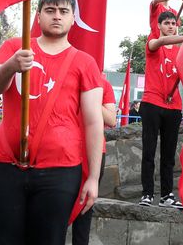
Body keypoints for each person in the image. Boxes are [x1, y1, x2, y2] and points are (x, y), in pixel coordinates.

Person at [0, 0, 103, 245]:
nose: (57, 16)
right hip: (5, 165)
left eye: (63, 11)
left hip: (60, 170)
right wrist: (12, 66)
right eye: (50, 11)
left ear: (72, 19)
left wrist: (93, 178)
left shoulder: (85, 63)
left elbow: (94, 122)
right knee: (1, 239)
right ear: (38, 16)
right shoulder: (15, 48)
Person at [140, 10, 183, 208]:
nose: (170, 26)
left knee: (169, 155)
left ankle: (167, 195)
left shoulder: (181, 51)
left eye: (173, 23)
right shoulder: (153, 42)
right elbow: (155, 44)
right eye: (166, 23)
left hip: (173, 106)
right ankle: (147, 193)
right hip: (152, 104)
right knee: (149, 151)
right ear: (159, 26)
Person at [71, 75, 119, 245]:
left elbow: (112, 119)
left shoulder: (103, 84)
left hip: (94, 152)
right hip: (65, 149)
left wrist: (90, 96)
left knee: (85, 208)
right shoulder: (66, 76)